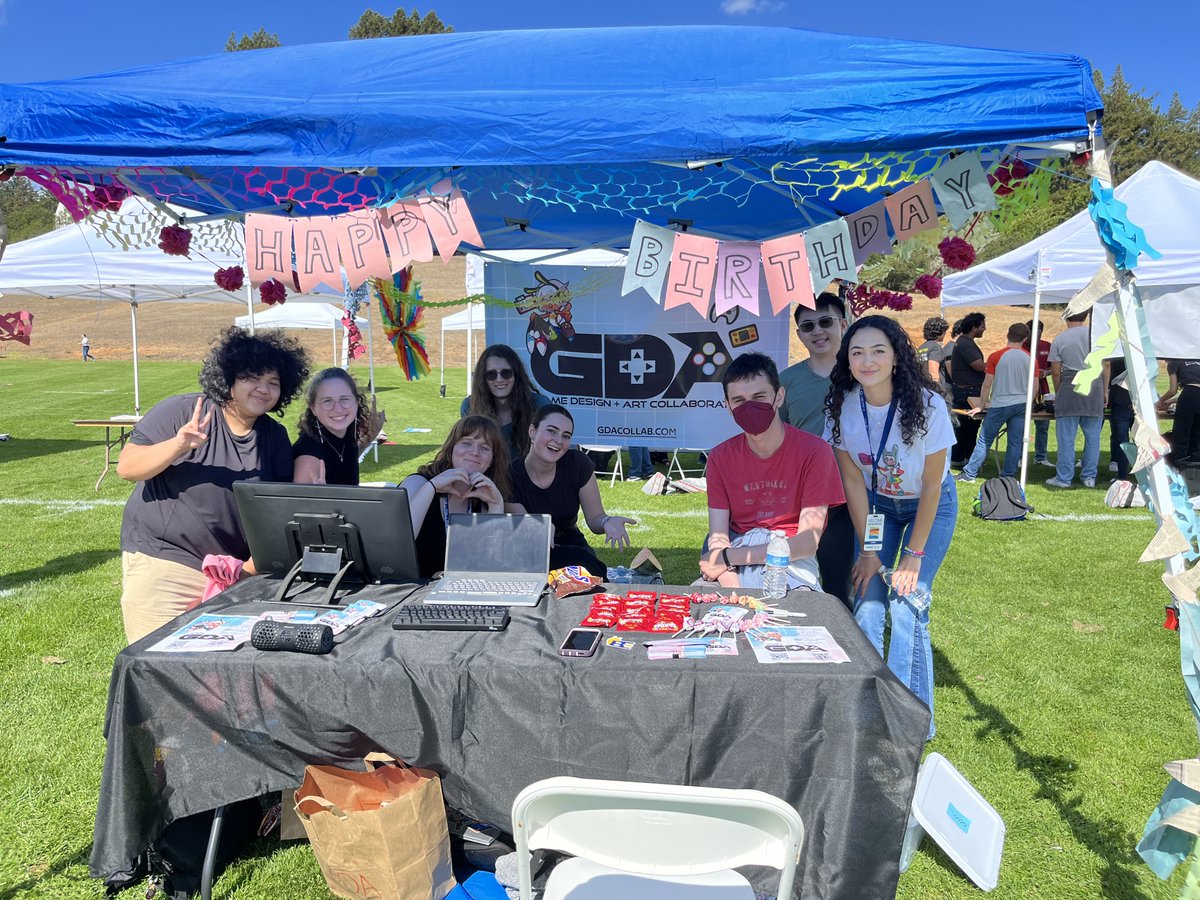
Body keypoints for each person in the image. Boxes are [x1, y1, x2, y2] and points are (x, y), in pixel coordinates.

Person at [116, 327, 309, 643]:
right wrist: (177, 446)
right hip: (167, 561)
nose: (263, 389)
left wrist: (245, 570)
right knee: (161, 665)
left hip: (233, 572)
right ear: (229, 377)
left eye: (273, 382)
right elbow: (127, 467)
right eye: (252, 378)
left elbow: (277, 511)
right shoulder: (184, 412)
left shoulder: (274, 437)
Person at [825, 315, 957, 739]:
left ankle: (910, 720)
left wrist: (913, 558)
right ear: (847, 360)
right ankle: (868, 709)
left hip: (928, 509)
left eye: (878, 350)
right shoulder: (843, 406)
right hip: (880, 506)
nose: (867, 361)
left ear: (897, 356)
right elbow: (852, 482)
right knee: (867, 599)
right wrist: (870, 551)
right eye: (857, 352)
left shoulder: (928, 405)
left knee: (907, 602)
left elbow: (934, 486)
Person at [700, 352, 845, 591]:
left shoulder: (815, 452)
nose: (750, 407)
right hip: (734, 553)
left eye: (759, 396)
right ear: (727, 406)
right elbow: (718, 536)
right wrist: (733, 586)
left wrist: (727, 558)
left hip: (790, 558)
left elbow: (807, 543)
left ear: (779, 397)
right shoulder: (720, 457)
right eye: (739, 400)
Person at [778, 293, 855, 608]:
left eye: (826, 322)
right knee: (800, 577)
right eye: (808, 326)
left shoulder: (864, 375)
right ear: (799, 335)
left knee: (843, 583)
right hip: (804, 498)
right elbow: (777, 440)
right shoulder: (787, 382)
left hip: (854, 496)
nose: (818, 332)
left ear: (843, 324)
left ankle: (852, 639)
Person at [509, 404, 635, 577]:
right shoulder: (511, 475)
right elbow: (526, 527)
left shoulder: (577, 463)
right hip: (530, 549)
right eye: (551, 431)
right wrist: (541, 527)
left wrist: (607, 521)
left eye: (566, 436)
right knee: (580, 563)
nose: (558, 440)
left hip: (571, 542)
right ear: (532, 431)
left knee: (589, 568)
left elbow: (594, 519)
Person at [401, 416, 511, 578]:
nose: (474, 452)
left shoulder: (483, 499)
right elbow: (401, 545)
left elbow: (489, 565)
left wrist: (496, 505)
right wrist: (430, 488)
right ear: (451, 448)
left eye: (485, 448)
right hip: (409, 590)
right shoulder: (417, 483)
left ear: (492, 460)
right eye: (466, 443)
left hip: (455, 593)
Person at [955, 323, 1031, 483]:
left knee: (985, 439)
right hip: (1021, 404)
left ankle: (970, 474)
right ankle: (1008, 476)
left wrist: (980, 406)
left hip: (1000, 403)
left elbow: (987, 384)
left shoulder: (996, 356)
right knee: (1015, 441)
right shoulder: (1030, 358)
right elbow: (1035, 386)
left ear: (1007, 335)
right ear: (1025, 338)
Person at [293, 368, 385, 486]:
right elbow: (298, 503)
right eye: (327, 401)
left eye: (344, 399)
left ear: (356, 402)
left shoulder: (343, 432)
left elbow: (343, 462)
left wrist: (369, 437)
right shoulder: (308, 457)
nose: (338, 409)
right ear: (313, 408)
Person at [461, 344, 550, 462]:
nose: (499, 379)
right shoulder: (469, 406)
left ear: (516, 375)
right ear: (483, 379)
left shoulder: (539, 405)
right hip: (487, 477)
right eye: (491, 374)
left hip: (527, 476)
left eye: (506, 373)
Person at [1047, 312, 1105, 488]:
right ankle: (1089, 476)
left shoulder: (1059, 339)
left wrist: (1058, 392)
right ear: (1085, 317)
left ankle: (1064, 477)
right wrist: (1105, 389)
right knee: (1093, 437)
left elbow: (1055, 371)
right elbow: (1106, 364)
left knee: (1066, 438)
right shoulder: (1096, 336)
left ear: (1066, 318)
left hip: (1070, 386)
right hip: (1094, 385)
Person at [949, 312, 986, 467]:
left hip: (967, 391)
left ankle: (962, 457)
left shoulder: (964, 342)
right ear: (973, 327)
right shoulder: (965, 343)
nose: (985, 329)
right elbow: (978, 366)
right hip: (968, 393)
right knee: (967, 427)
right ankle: (962, 458)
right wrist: (994, 366)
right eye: (982, 325)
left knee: (966, 427)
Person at [1157, 359, 1200, 464]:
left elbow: (1173, 390)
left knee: (1181, 435)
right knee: (1197, 437)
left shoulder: (1173, 363)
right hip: (1194, 394)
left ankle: (1179, 466)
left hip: (1188, 395)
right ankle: (1195, 470)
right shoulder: (1196, 359)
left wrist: (1160, 401)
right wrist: (1171, 401)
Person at [1024, 320, 1053, 467]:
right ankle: (1019, 457)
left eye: (1039, 332)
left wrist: (1046, 372)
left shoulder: (1047, 346)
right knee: (1021, 424)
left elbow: (1054, 367)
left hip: (1043, 390)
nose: (1036, 335)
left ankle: (1040, 457)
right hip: (1023, 390)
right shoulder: (1020, 347)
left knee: (1043, 425)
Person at [1108, 357, 1134, 480]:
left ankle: (1122, 476)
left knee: (1122, 440)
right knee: (1141, 441)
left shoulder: (1115, 356)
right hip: (1136, 401)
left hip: (1120, 401)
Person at [916, 317, 952, 404]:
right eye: (944, 332)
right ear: (939, 332)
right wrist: (939, 392)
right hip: (934, 391)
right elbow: (933, 370)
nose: (945, 334)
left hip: (923, 389)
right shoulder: (936, 348)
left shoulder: (921, 348)